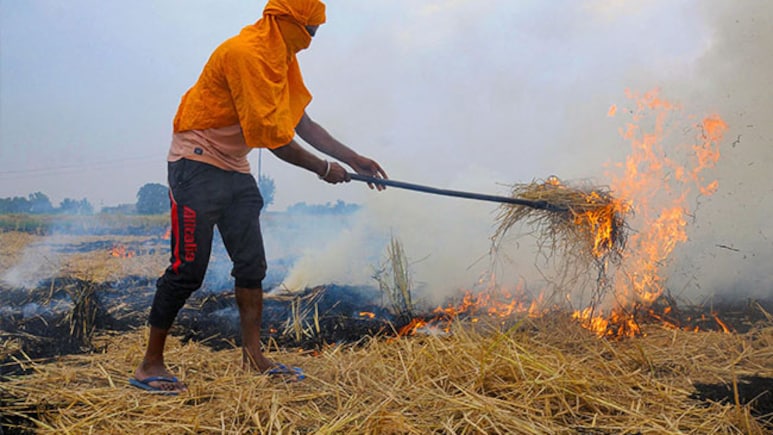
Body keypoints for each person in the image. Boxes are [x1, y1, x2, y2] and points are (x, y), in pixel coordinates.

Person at [130, 0, 387, 394]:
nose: (311, 42)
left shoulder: (280, 57)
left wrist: (352, 159)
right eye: (310, 31)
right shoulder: (245, 53)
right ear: (285, 20)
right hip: (196, 162)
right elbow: (275, 139)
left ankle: (254, 356)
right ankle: (150, 364)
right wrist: (324, 169)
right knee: (187, 271)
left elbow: (301, 122)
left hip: (234, 165)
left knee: (252, 267)